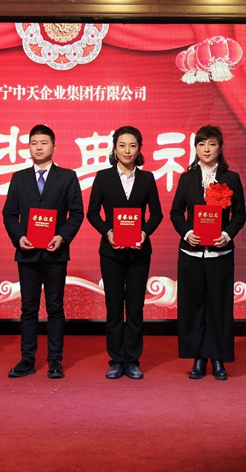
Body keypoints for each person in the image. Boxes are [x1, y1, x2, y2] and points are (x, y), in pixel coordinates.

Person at [2, 124, 84, 379]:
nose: (38, 147)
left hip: (55, 252)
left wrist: (62, 236)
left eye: (44, 143)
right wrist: (19, 237)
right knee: (28, 308)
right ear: (28, 147)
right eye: (34, 143)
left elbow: (77, 213)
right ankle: (27, 359)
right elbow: (9, 214)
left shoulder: (67, 177)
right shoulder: (19, 178)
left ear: (54, 147)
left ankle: (55, 360)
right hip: (27, 253)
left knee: (55, 307)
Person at [170, 125, 246, 380]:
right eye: (202, 144)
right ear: (195, 148)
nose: (206, 149)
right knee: (193, 307)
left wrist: (226, 235)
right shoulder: (187, 178)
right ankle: (198, 359)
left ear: (220, 148)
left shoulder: (230, 178)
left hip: (219, 255)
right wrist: (186, 233)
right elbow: (176, 212)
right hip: (191, 254)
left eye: (212, 144)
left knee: (219, 307)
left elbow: (240, 214)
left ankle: (218, 359)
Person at [86, 126, 164, 379]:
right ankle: (115, 359)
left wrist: (144, 232)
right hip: (111, 252)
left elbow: (157, 214)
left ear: (139, 149)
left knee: (135, 308)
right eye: (122, 145)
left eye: (132, 145)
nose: (127, 150)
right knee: (113, 307)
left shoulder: (147, 179)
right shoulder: (103, 177)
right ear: (114, 148)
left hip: (139, 252)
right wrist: (108, 232)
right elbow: (92, 213)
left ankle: (132, 360)